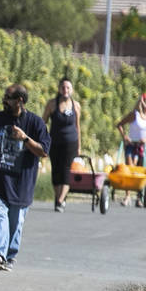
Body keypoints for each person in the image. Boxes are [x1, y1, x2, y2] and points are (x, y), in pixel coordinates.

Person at [0, 84, 51, 271]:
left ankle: (10, 256)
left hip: (22, 182)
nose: (4, 101)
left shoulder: (35, 123)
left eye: (8, 97)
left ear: (20, 101)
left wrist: (24, 138)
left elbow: (43, 151)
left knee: (15, 223)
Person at [42, 78, 81, 212]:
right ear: (59, 89)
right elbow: (43, 122)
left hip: (71, 143)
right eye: (63, 87)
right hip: (55, 142)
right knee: (56, 170)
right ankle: (58, 197)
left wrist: (79, 146)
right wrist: (42, 140)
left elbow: (78, 126)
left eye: (68, 88)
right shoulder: (52, 104)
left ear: (72, 90)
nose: (65, 90)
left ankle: (60, 200)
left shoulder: (76, 105)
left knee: (66, 170)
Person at [114, 93, 146, 206]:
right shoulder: (135, 115)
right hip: (132, 144)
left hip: (144, 146)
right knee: (129, 169)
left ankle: (140, 197)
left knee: (141, 170)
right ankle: (128, 196)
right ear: (145, 104)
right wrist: (125, 136)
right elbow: (120, 124)